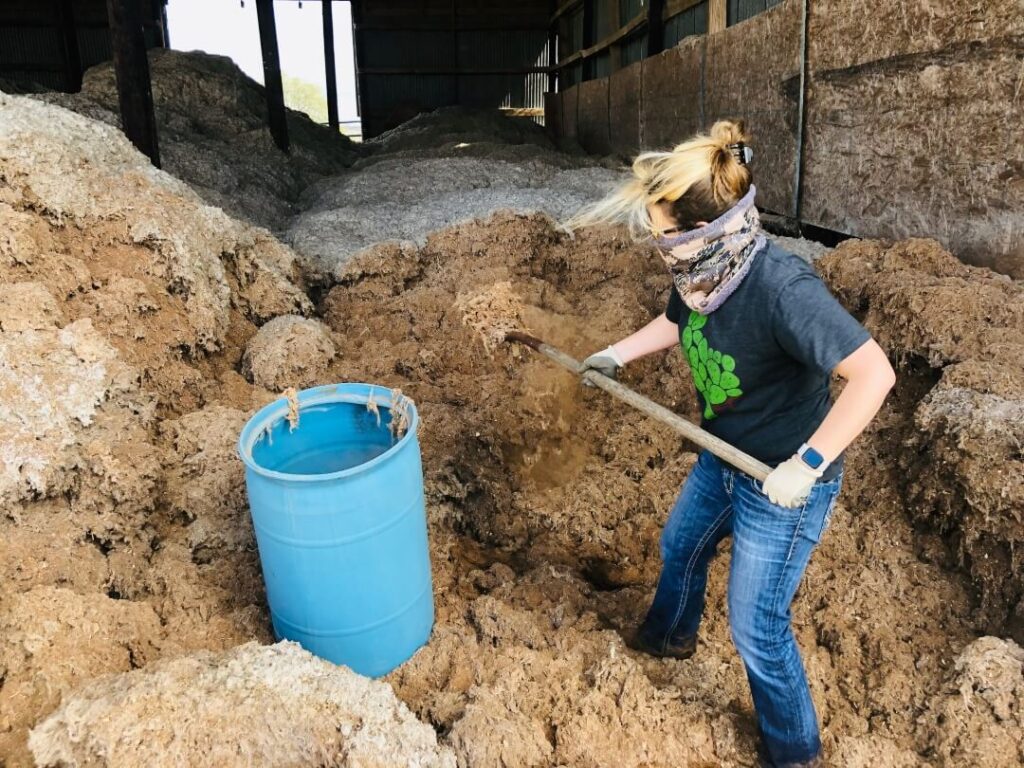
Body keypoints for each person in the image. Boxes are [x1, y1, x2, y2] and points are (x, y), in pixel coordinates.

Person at [565, 120, 896, 768]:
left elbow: (873, 374)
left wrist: (807, 465)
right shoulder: (699, 272)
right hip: (724, 456)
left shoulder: (781, 288)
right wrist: (615, 355)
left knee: (757, 628)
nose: (660, 246)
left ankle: (794, 753)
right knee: (680, 545)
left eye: (664, 233)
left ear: (699, 231)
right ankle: (668, 640)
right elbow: (674, 319)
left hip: (783, 485)